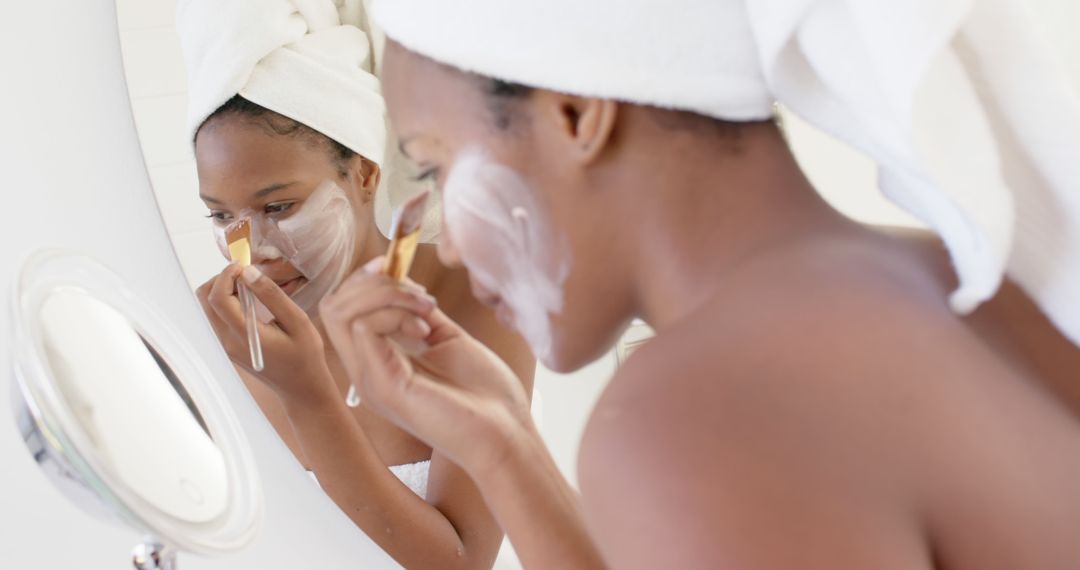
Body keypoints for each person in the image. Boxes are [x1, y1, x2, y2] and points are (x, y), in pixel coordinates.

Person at [315, 0, 1080, 567]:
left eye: (438, 166)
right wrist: (502, 445)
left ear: (577, 114)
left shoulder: (696, 411)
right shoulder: (973, 281)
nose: (445, 238)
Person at [176, 1, 534, 568]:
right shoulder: (213, 328)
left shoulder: (476, 297)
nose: (253, 249)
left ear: (364, 173)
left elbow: (462, 560)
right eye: (221, 217)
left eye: (279, 205)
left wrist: (308, 398)